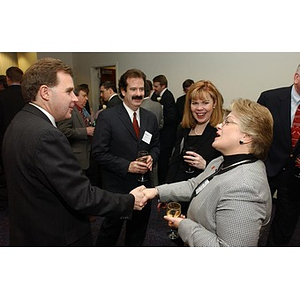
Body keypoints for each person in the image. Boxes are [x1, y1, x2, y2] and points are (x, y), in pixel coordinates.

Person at [2, 58, 148, 246]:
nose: (74, 98)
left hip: (29, 231)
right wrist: (130, 201)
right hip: (54, 236)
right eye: (69, 91)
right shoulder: (47, 135)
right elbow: (82, 197)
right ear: (45, 92)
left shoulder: (19, 122)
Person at [143, 99, 274, 247]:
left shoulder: (245, 188)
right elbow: (196, 184)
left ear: (247, 136)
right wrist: (155, 191)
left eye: (228, 122)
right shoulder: (221, 161)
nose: (218, 126)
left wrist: (184, 225)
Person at [92, 69, 160, 246]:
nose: (138, 94)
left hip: (144, 187)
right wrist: (126, 166)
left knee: (137, 234)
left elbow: (156, 146)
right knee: (110, 233)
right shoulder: (107, 117)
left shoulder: (150, 118)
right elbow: (98, 153)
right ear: (123, 91)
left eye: (141, 89)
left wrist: (152, 156)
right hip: (117, 188)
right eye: (133, 89)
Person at [166, 80, 223, 215]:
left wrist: (206, 165)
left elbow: (228, 169)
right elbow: (175, 161)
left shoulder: (220, 131)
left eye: (205, 103)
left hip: (205, 196)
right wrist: (168, 191)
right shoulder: (183, 128)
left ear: (214, 104)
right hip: (181, 191)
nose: (199, 108)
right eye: (195, 103)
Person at [257, 64, 300, 246]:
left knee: (285, 223)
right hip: (266, 168)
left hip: (295, 176)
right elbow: (254, 131)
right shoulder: (270, 98)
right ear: (296, 77)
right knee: (252, 215)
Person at [0, 67, 25, 211]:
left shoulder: (2, 97)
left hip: (6, 142)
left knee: (11, 177)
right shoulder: (28, 96)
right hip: (28, 140)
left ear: (8, 79)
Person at [57, 84, 95, 174]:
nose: (86, 99)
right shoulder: (69, 111)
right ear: (75, 96)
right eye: (84, 96)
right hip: (75, 159)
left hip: (86, 157)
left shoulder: (82, 111)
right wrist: (86, 131)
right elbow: (62, 131)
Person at [152, 74, 177, 184]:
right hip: (160, 135)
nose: (154, 88)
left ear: (163, 85)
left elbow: (171, 117)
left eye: (156, 86)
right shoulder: (155, 95)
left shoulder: (168, 96)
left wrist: (159, 123)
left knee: (163, 162)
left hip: (166, 136)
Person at [141, 80, 164, 186]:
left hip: (142, 146)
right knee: (154, 170)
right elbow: (161, 124)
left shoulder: (139, 107)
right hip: (156, 141)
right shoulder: (158, 105)